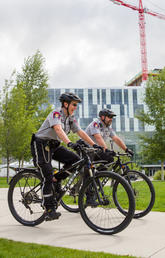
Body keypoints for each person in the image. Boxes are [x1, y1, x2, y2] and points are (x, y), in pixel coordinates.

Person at [31, 92, 100, 221]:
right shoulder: (56, 114)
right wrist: (69, 143)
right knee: (47, 174)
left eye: (76, 105)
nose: (75, 107)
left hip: (54, 145)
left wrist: (95, 145)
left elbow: (80, 132)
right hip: (41, 144)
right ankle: (49, 208)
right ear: (66, 104)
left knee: (76, 161)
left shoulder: (71, 118)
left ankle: (56, 179)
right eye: (74, 104)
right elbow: (58, 129)